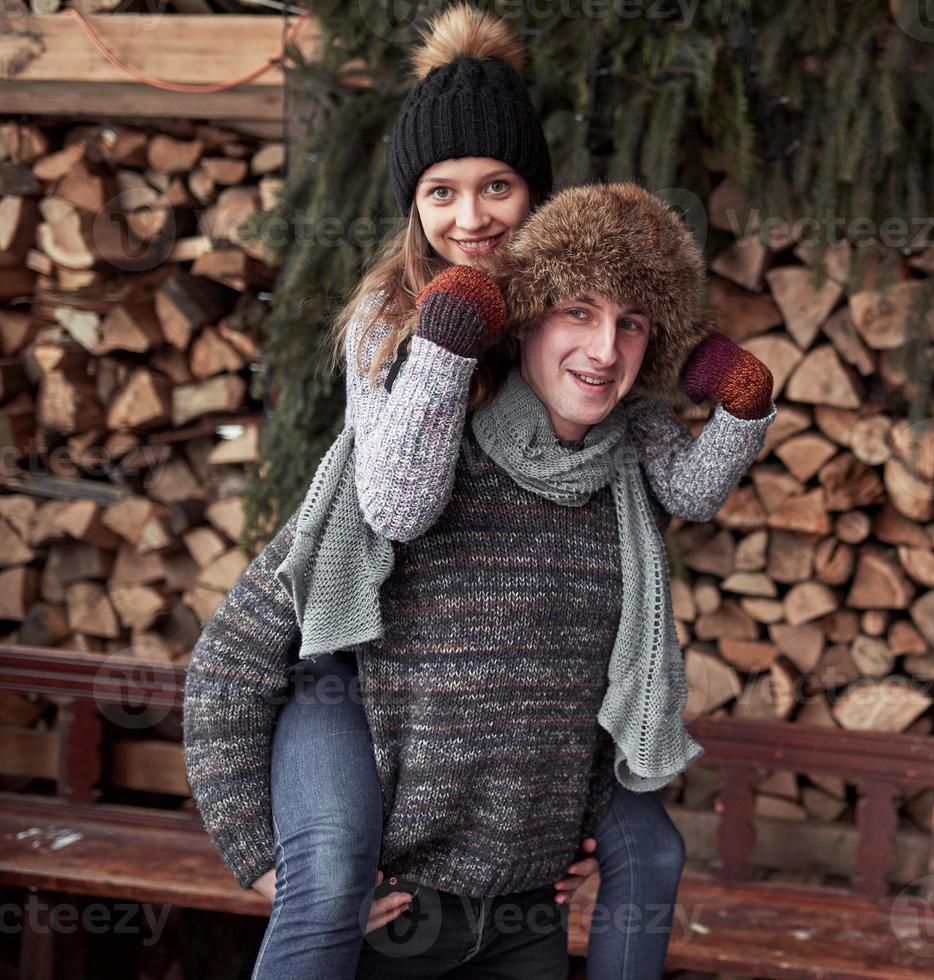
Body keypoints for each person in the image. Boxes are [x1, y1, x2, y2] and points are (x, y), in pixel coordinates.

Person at [197, 6, 776, 979]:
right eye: (442, 191)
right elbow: (393, 504)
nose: (471, 216)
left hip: (508, 827)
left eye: (498, 185)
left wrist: (734, 402)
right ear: (411, 203)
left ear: (535, 197)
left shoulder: (570, 340)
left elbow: (661, 455)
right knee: (328, 876)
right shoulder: (389, 311)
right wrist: (447, 339)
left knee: (638, 856)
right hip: (348, 662)